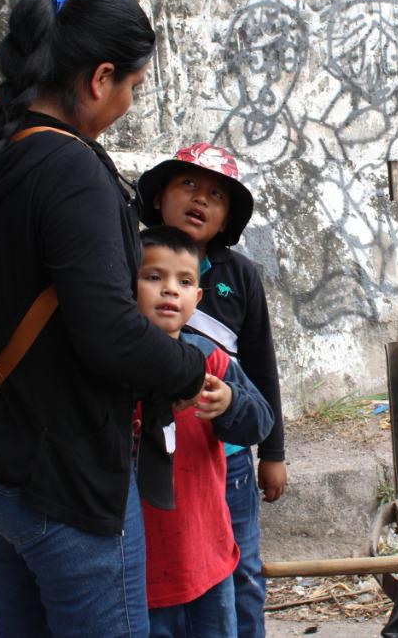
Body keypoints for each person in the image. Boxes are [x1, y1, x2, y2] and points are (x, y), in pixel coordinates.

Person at [0, 0, 208, 637]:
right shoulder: (73, 169)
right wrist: (187, 366)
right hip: (58, 478)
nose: (127, 103)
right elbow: (111, 335)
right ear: (100, 77)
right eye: (131, 87)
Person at [137, 142, 286, 638]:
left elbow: (262, 368)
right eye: (189, 185)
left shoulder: (239, 275)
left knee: (237, 568)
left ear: (226, 221)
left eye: (217, 195)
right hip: (155, 457)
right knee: (164, 572)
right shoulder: (127, 258)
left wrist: (273, 452)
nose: (201, 199)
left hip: (231, 458)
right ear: (160, 197)